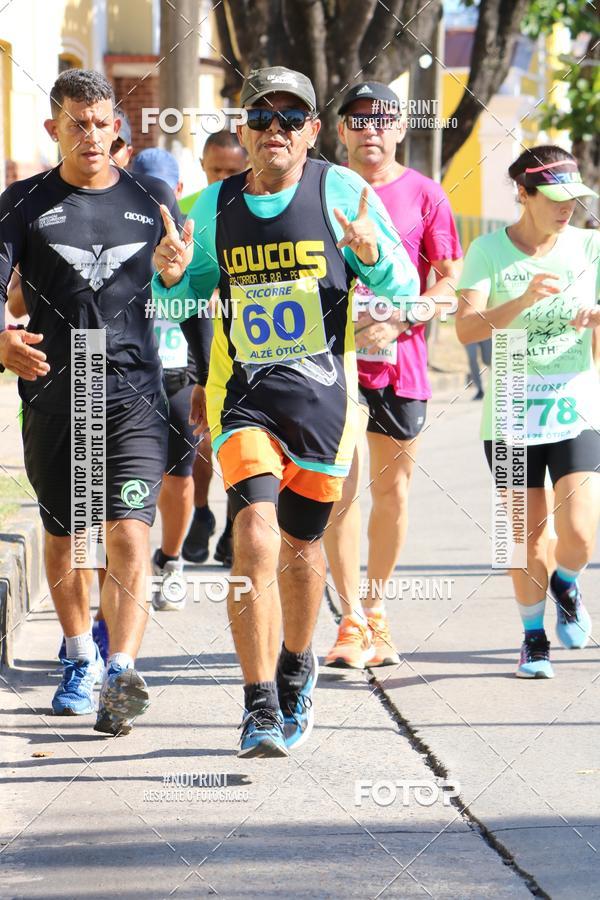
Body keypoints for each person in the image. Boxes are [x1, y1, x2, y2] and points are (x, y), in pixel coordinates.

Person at [152, 66, 425, 757]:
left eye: (289, 118)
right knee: (254, 538)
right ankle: (258, 705)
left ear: (310, 130)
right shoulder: (208, 207)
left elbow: (406, 290)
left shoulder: (342, 191)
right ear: (244, 129)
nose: (274, 130)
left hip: (323, 408)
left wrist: (371, 256)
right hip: (246, 401)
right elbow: (177, 305)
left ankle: (297, 663)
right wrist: (171, 276)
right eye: (261, 118)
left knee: (302, 552)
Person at [0, 69, 193, 734]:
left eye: (101, 122)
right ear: (53, 129)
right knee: (67, 535)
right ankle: (79, 655)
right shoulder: (21, 202)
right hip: (59, 387)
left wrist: (174, 271)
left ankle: (121, 669)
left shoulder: (151, 196)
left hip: (135, 391)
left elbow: (181, 275)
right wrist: (1, 341)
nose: (90, 134)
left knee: (130, 530)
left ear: (117, 129)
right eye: (76, 123)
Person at [323, 82, 463, 670]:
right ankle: (351, 620)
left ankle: (377, 609)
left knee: (392, 491)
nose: (369, 130)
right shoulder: (322, 188)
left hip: (401, 368)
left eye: (381, 120)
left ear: (401, 129)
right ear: (340, 133)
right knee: (338, 493)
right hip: (332, 365)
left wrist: (406, 314)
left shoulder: (426, 195)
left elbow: (452, 287)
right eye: (357, 121)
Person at [456, 145, 600, 678]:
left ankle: (565, 583)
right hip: (513, 409)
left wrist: (594, 317)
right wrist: (520, 302)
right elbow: (466, 329)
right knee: (525, 536)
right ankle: (533, 637)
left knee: (581, 533)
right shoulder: (489, 249)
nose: (569, 208)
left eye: (574, 199)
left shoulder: (590, 246)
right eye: (557, 198)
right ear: (524, 193)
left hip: (574, 404)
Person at [131, 147, 211, 610]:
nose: (153, 198)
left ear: (178, 189)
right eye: (143, 188)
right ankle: (128, 569)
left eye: (161, 188)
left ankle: (173, 560)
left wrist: (204, 375)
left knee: (179, 477)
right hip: (127, 374)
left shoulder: (192, 238)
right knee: (124, 479)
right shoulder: (118, 231)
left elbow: (201, 311)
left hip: (179, 375)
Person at [180, 131, 249, 568]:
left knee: (240, 435)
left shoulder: (255, 208)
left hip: (243, 334)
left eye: (231, 171)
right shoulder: (189, 211)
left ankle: (233, 523)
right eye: (215, 170)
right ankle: (202, 513)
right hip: (193, 331)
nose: (221, 178)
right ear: (203, 167)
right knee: (202, 432)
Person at [179, 129, 249, 215]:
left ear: (246, 165)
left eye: (232, 171)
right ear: (202, 164)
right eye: (217, 170)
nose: (224, 177)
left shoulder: (257, 208)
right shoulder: (181, 210)